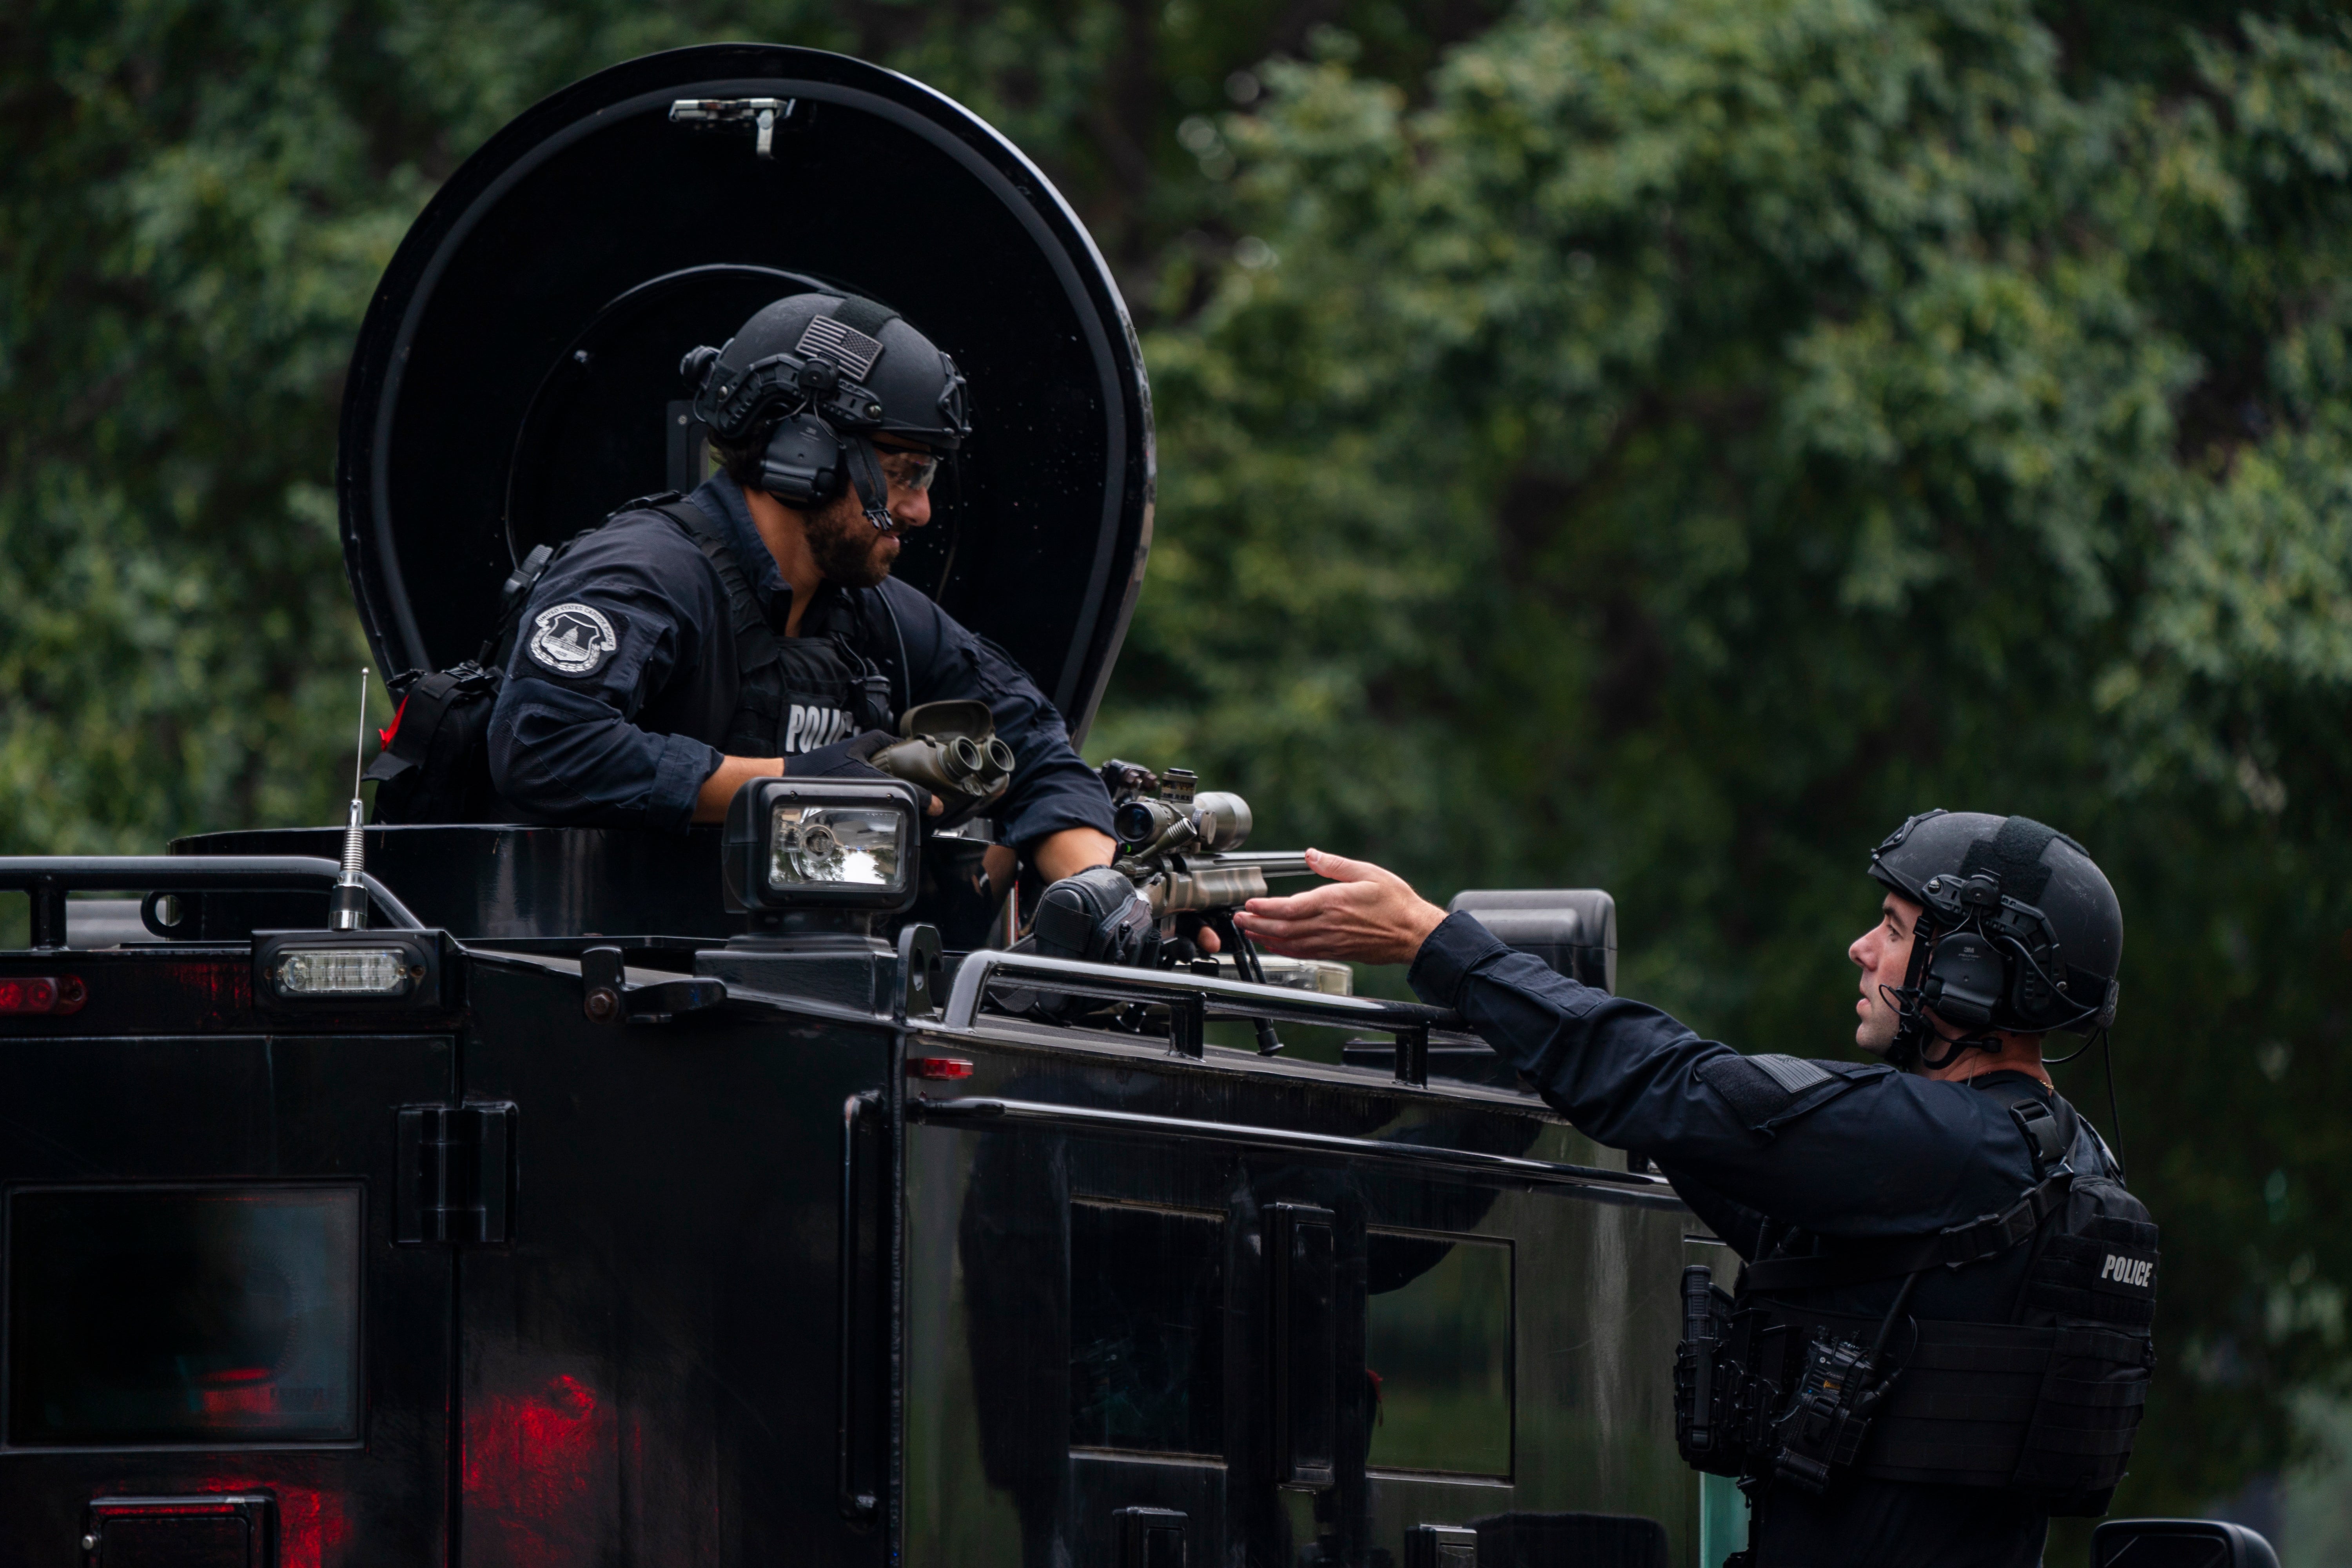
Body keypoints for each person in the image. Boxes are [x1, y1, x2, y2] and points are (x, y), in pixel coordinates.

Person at [1235, 811, 2157, 1568]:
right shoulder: (2065, 1162)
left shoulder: (1942, 1145)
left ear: (1972, 971)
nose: (1861, 948)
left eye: (1895, 926)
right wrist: (1550, 1055)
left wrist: (1438, 943)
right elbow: (1704, 1142)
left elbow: (1683, 1087)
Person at [486, 292, 1117, 887]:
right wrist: (800, 783)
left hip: (805, 984)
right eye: (905, 473)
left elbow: (1029, 742)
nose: (922, 510)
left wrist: (1099, 896)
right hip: (610, 976)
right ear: (804, 454)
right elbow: (544, 745)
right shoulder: (645, 573)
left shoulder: (871, 613)